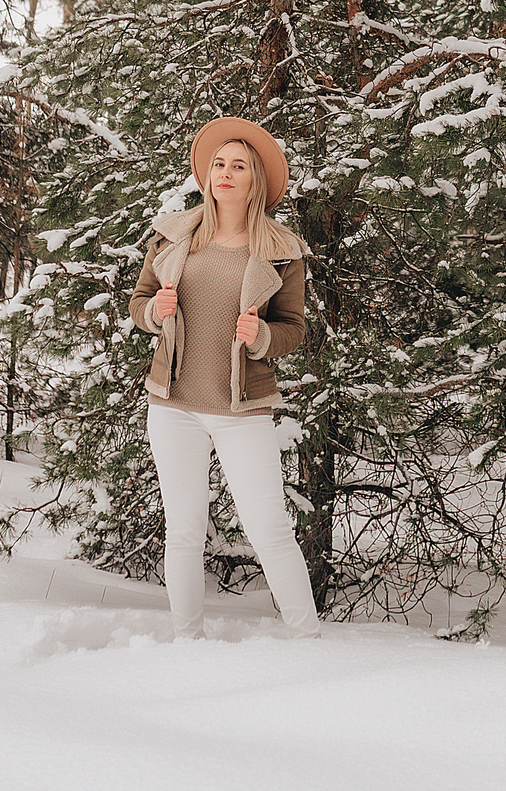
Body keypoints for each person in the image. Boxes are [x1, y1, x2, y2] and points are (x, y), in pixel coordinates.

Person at [128, 115, 320, 637]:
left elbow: (293, 328)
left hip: (242, 409)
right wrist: (154, 312)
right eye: (218, 164)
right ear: (206, 175)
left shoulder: (281, 250)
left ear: (256, 179)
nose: (225, 174)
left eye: (238, 166)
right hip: (173, 404)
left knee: (270, 530)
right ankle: (187, 642)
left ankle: (309, 641)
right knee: (184, 532)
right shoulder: (172, 235)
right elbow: (140, 301)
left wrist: (262, 337)